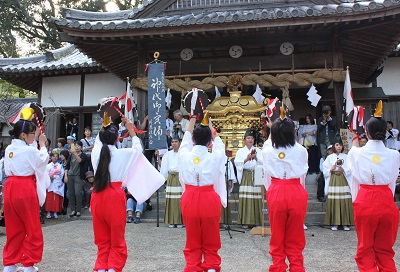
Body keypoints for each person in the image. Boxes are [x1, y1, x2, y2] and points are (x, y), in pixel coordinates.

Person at [90, 113, 164, 272]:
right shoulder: (123, 154)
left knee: (101, 237)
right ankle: (113, 268)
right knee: (116, 236)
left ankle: (102, 267)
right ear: (117, 139)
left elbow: (99, 140)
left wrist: (105, 123)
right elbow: (138, 150)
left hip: (97, 195)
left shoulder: (96, 152)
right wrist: (131, 130)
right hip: (114, 195)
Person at [349, 102, 400, 272]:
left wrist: (354, 135)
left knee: (365, 248)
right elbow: (393, 180)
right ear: (385, 132)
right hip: (386, 198)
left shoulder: (357, 153)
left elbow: (354, 170)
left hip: (366, 199)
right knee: (385, 249)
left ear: (367, 133)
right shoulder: (394, 154)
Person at [2, 108, 50, 272]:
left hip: (10, 187)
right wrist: (42, 144)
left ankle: (10, 264)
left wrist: (37, 142)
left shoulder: (9, 149)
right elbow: (43, 160)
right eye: (32, 134)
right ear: (23, 135)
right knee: (32, 227)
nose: (34, 136)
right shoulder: (30, 150)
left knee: (14, 227)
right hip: (25, 187)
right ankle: (29, 264)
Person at [178, 111, 226, 272]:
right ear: (209, 141)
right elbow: (220, 144)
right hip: (209, 197)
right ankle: (211, 266)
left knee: (192, 237)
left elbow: (185, 138)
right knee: (211, 235)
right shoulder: (214, 156)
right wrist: (210, 124)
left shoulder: (184, 154)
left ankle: (192, 266)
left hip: (190, 197)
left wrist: (192, 119)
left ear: (193, 139)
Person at [262, 106, 308, 272]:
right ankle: (297, 266)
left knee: (277, 233)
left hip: (276, 189)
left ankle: (278, 266)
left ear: (273, 133)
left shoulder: (267, 150)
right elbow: (303, 170)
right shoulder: (301, 150)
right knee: (295, 233)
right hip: (295, 189)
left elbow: (266, 169)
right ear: (292, 132)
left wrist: (272, 128)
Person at [234, 128, 263, 228]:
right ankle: (245, 221)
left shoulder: (259, 151)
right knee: (246, 198)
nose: (250, 140)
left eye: (252, 138)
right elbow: (237, 163)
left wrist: (256, 158)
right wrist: (246, 159)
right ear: (244, 139)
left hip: (255, 175)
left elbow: (264, 163)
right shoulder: (240, 151)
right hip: (246, 175)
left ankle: (257, 221)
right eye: (248, 138)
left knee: (256, 198)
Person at [323, 138, 353, 231]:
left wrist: (344, 170)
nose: (339, 147)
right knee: (334, 200)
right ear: (333, 146)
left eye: (340, 145)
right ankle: (334, 223)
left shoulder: (346, 156)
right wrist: (331, 169)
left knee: (344, 200)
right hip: (334, 179)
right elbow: (325, 169)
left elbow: (351, 168)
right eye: (337, 145)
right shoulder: (330, 157)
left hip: (343, 179)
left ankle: (345, 223)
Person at [160, 136, 183, 228]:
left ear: (179, 143)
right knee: (171, 199)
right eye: (172, 142)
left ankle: (180, 220)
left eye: (176, 142)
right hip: (170, 177)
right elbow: (164, 168)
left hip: (179, 177)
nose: (174, 143)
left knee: (179, 199)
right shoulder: (167, 154)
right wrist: (162, 179)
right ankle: (171, 220)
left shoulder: (183, 154)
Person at [64, 141, 89, 217]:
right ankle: (72, 210)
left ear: (81, 147)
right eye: (75, 146)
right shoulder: (70, 156)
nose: (77, 147)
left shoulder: (84, 155)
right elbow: (67, 166)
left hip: (79, 176)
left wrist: (74, 153)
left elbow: (80, 161)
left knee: (78, 193)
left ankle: (78, 210)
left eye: (78, 146)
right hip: (70, 175)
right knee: (71, 193)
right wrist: (65, 176)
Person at [45, 153, 64, 219]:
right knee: (49, 198)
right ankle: (48, 212)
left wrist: (56, 176)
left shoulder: (60, 166)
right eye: (53, 156)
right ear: (51, 157)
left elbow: (62, 174)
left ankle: (56, 212)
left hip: (57, 182)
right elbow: (45, 174)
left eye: (56, 156)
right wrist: (50, 177)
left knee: (56, 197)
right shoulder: (48, 166)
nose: (55, 158)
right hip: (50, 183)